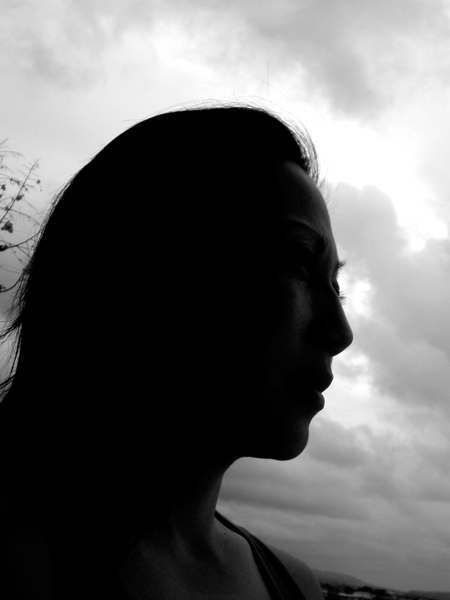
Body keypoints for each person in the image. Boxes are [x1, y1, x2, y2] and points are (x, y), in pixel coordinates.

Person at [0, 103, 353, 600]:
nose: (341, 332)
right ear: (148, 269)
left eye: (337, 287)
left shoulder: (296, 585)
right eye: (298, 258)